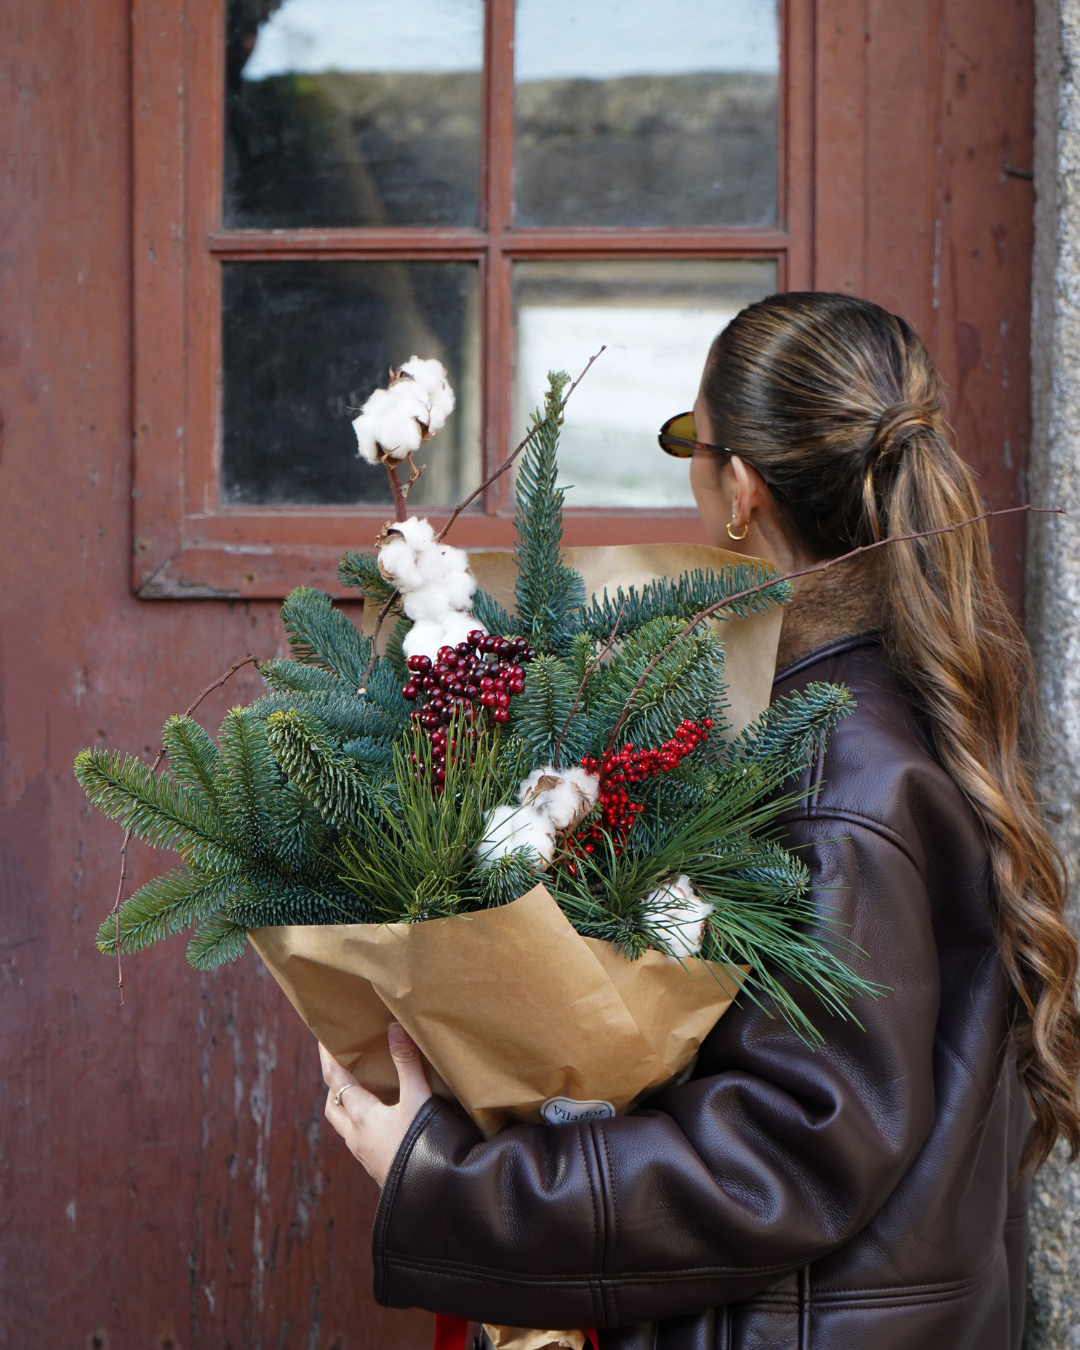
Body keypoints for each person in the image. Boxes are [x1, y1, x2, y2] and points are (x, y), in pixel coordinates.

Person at [318, 292, 1080, 1349]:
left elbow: (787, 1150)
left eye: (691, 440)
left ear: (739, 487)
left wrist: (452, 1172)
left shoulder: (831, 767)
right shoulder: (880, 712)